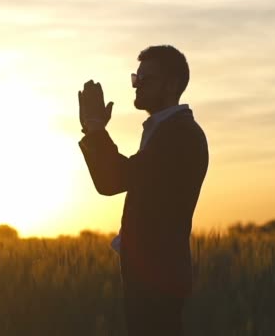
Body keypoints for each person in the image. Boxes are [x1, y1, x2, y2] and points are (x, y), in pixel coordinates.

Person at [78, 45, 208, 336]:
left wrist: (96, 130)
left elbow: (113, 180)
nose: (136, 86)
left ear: (171, 84)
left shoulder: (179, 134)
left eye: (146, 80)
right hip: (155, 276)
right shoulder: (166, 130)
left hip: (158, 279)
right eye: (136, 78)